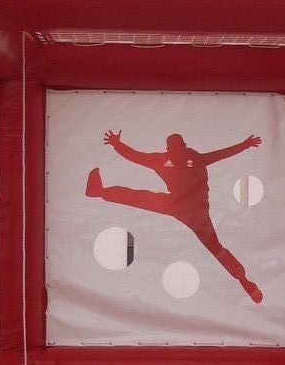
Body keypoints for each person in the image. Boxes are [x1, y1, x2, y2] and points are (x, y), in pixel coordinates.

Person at [86, 129, 263, 302]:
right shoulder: (173, 159)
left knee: (143, 199)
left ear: (181, 146)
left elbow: (221, 154)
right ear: (174, 147)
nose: (177, 150)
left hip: (190, 209)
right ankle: (244, 281)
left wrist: (245, 144)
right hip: (182, 206)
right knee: (143, 198)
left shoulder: (188, 158)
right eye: (174, 147)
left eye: (177, 146)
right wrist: (117, 144)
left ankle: (245, 282)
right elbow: (136, 156)